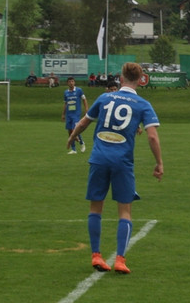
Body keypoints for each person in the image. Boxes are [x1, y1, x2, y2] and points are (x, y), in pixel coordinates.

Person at [67, 62, 163, 274]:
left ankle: (96, 255)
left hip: (99, 158)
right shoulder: (143, 104)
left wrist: (72, 138)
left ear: (121, 78)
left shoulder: (104, 98)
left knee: (95, 208)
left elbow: (84, 122)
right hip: (122, 162)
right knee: (125, 210)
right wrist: (159, 163)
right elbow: (153, 136)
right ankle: (120, 259)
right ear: (140, 80)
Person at [63, 77, 89, 155]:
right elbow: (65, 103)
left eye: (72, 81)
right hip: (69, 114)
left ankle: (81, 142)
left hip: (76, 114)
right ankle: (74, 150)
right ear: (67, 83)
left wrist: (86, 109)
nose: (71, 83)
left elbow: (84, 99)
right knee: (70, 131)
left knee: (75, 130)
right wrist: (63, 114)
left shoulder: (79, 90)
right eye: (70, 81)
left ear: (74, 82)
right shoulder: (66, 92)